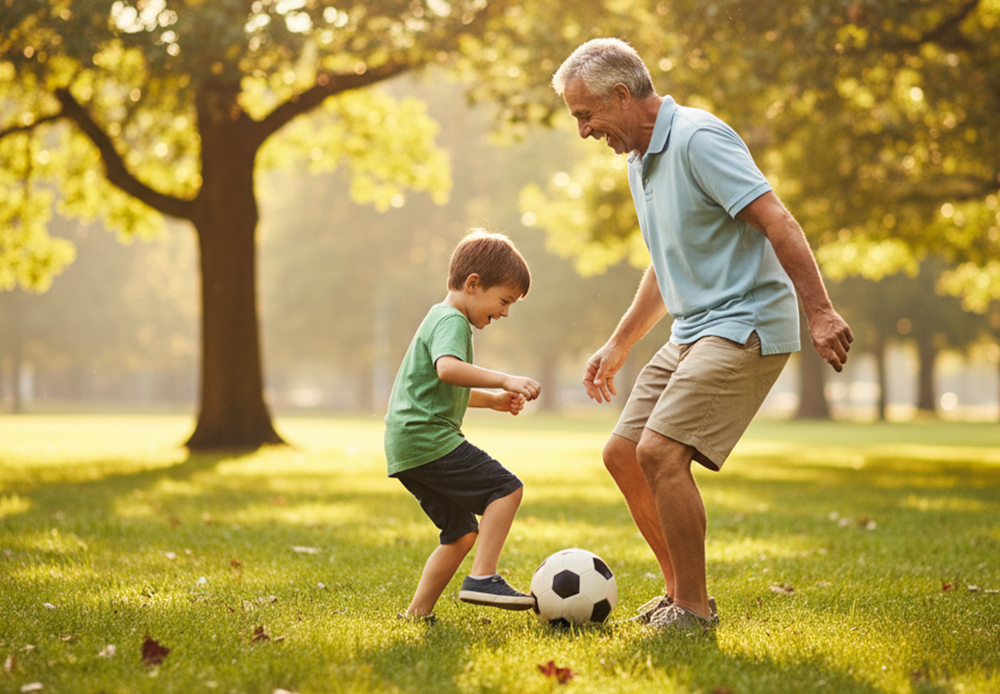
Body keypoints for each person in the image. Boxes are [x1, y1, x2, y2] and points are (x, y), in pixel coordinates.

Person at [551, 38, 853, 630]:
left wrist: (818, 310)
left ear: (621, 94)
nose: (584, 131)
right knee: (623, 454)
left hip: (745, 322)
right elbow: (666, 266)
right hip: (693, 328)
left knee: (660, 453)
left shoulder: (698, 138)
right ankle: (678, 593)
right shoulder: (639, 160)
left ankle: (692, 607)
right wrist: (619, 344)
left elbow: (776, 219)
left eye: (587, 115)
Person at [384, 229, 541, 621]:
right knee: (506, 489)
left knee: (460, 534)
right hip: (428, 440)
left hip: (409, 447)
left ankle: (417, 614)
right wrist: (505, 379)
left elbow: (441, 386)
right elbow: (449, 370)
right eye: (504, 300)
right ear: (473, 284)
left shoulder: (439, 319)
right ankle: (482, 578)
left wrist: (493, 401)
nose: (505, 312)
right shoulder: (451, 320)